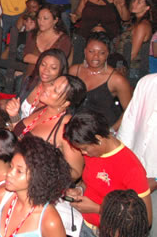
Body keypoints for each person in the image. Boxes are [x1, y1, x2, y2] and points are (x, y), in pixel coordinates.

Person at [63, 111, 152, 235]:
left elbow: (144, 219)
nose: (83, 153)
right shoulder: (93, 153)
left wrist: (97, 209)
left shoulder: (131, 168)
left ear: (99, 140)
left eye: (84, 148)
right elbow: (91, 182)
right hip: (80, 222)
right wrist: (79, 190)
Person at [0, 135, 71, 237]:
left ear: (38, 177)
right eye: (11, 166)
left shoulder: (49, 220)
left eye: (19, 171)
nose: (9, 173)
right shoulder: (2, 195)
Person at [117, 74, 157, 235]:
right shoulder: (148, 82)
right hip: (135, 170)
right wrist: (121, 163)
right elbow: (129, 125)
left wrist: (155, 179)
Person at [70, 33, 132, 130]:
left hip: (102, 131)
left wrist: (111, 131)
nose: (96, 57)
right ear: (85, 51)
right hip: (76, 129)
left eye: (101, 53)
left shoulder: (116, 79)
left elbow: (130, 110)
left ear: (107, 54)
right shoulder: (74, 71)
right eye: (91, 51)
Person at [113, 0, 155, 85]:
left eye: (139, 2)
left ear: (147, 8)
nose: (134, 3)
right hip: (125, 65)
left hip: (132, 70)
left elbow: (133, 53)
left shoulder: (143, 26)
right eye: (134, 0)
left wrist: (120, 67)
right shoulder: (135, 23)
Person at [22, 5, 71, 77]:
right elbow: (26, 57)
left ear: (55, 20)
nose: (41, 21)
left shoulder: (64, 39)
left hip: (51, 79)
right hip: (30, 77)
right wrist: (47, 62)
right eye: (39, 18)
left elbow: (58, 63)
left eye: (45, 18)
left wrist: (36, 60)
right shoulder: (32, 34)